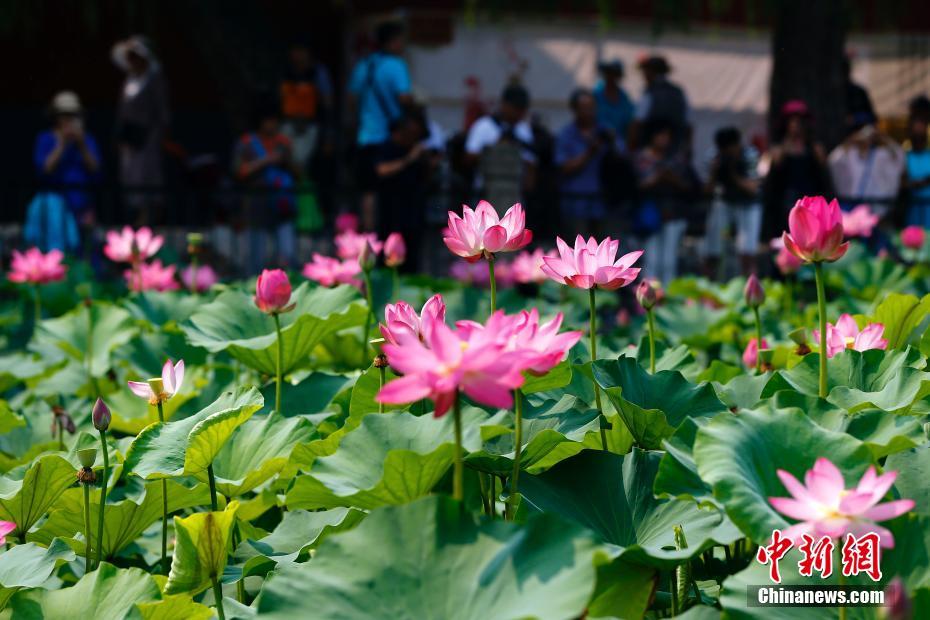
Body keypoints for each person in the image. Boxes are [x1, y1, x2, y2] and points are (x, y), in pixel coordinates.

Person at [348, 21, 413, 230]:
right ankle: (387, 237)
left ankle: (367, 237)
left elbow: (352, 98)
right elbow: (404, 98)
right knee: (390, 194)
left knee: (367, 191)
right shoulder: (397, 66)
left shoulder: (364, 64)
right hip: (388, 138)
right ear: (393, 42)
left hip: (365, 136)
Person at [232, 99, 301, 272]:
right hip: (256, 206)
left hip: (282, 205)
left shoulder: (283, 143)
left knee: (287, 255)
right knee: (256, 259)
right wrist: (265, 161)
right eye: (268, 120)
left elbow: (298, 172)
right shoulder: (246, 143)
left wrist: (285, 161)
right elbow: (238, 171)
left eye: (274, 120)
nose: (272, 124)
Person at [32, 91, 101, 252]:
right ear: (56, 116)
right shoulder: (45, 139)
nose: (68, 119)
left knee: (85, 249)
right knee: (56, 249)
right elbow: (44, 169)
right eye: (64, 115)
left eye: (73, 115)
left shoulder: (87, 140)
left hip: (82, 203)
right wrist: (62, 144)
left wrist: (82, 144)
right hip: (54, 205)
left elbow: (96, 170)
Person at [112, 36, 170, 224]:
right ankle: (133, 216)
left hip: (148, 137)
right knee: (129, 176)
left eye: (136, 57)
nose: (133, 61)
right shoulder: (129, 81)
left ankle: (148, 216)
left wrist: (159, 134)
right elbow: (122, 112)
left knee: (147, 175)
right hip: (130, 136)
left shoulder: (154, 79)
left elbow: (162, 111)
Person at [634, 119, 696, 284]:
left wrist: (672, 179)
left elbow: (689, 186)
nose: (664, 139)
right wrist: (657, 178)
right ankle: (647, 295)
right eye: (661, 135)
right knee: (651, 260)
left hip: (673, 213)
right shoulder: (642, 158)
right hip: (651, 216)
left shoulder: (677, 159)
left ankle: (667, 299)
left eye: (667, 136)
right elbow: (636, 186)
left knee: (669, 261)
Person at [761, 99, 830, 240]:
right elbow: (771, 182)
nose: (796, 126)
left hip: (810, 202)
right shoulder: (777, 151)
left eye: (799, 122)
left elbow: (824, 180)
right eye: (792, 122)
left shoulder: (815, 150)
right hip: (785, 205)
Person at [464, 83, 536, 208]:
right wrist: (496, 148)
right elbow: (469, 157)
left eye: (522, 109)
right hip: (486, 192)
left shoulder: (523, 129)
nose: (518, 113)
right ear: (504, 104)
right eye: (516, 108)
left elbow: (531, 163)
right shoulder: (484, 126)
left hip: (514, 193)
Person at [703, 127, 762, 277]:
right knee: (714, 247)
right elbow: (707, 189)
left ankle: (749, 282)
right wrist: (715, 171)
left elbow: (753, 188)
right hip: (723, 202)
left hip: (748, 204)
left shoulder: (750, 155)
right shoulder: (714, 157)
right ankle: (711, 283)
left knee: (747, 250)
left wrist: (733, 173)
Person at [374, 113, 430, 272]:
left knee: (412, 255)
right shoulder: (387, 147)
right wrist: (409, 159)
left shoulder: (417, 149)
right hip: (391, 210)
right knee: (388, 250)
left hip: (413, 211)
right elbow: (381, 170)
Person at [555, 89, 611, 235]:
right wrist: (589, 153)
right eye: (584, 108)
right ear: (575, 110)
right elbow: (563, 167)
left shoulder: (604, 131)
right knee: (576, 247)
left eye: (592, 108)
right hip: (575, 201)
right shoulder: (566, 134)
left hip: (601, 201)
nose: (589, 112)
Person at [279, 37, 335, 175]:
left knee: (300, 162)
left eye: (301, 51)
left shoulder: (318, 72)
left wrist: (328, 136)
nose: (297, 55)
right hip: (287, 124)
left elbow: (328, 104)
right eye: (294, 51)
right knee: (282, 159)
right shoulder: (286, 72)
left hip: (308, 126)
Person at [828, 120, 903, 213]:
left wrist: (882, 138)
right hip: (852, 208)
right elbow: (833, 160)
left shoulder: (881, 155)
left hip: (877, 209)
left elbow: (899, 155)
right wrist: (850, 141)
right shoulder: (849, 154)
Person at [630, 55, 690, 154]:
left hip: (651, 154)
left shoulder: (650, 93)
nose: (643, 75)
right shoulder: (679, 93)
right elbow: (688, 125)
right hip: (675, 153)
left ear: (651, 72)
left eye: (645, 71)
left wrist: (631, 150)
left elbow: (636, 124)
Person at [593, 59, 634, 150]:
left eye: (614, 74)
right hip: (597, 145)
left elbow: (630, 123)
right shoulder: (596, 94)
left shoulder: (624, 99)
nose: (611, 77)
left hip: (618, 147)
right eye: (608, 73)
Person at [902, 96, 930, 228]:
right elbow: (901, 182)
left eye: (922, 122)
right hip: (912, 211)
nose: (919, 127)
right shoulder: (904, 154)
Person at [843, 55, 876, 137]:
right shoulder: (831, 94)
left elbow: (872, 117)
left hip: (858, 138)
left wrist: (856, 118)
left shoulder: (859, 92)